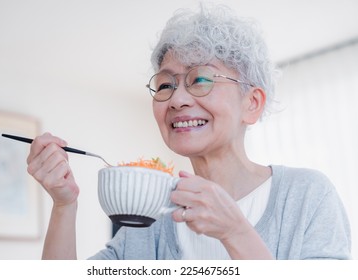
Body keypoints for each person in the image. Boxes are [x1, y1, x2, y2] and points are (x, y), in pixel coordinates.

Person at [26, 4, 351, 259]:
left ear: (252, 104)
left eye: (201, 79)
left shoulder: (307, 196)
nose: (178, 99)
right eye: (166, 84)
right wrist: (64, 205)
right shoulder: (151, 213)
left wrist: (236, 232)